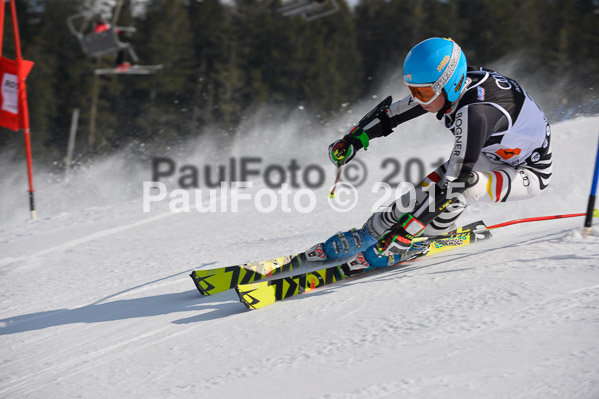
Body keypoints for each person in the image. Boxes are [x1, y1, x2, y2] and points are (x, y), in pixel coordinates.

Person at [305, 37, 552, 270]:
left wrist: (405, 234)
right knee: (427, 188)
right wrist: (353, 140)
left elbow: (456, 181)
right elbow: (393, 114)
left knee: (462, 186)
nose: (417, 99)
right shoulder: (447, 88)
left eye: (422, 93)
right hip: (492, 155)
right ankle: (370, 233)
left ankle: (432, 234)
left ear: (450, 83)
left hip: (528, 172)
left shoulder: (476, 113)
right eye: (412, 90)